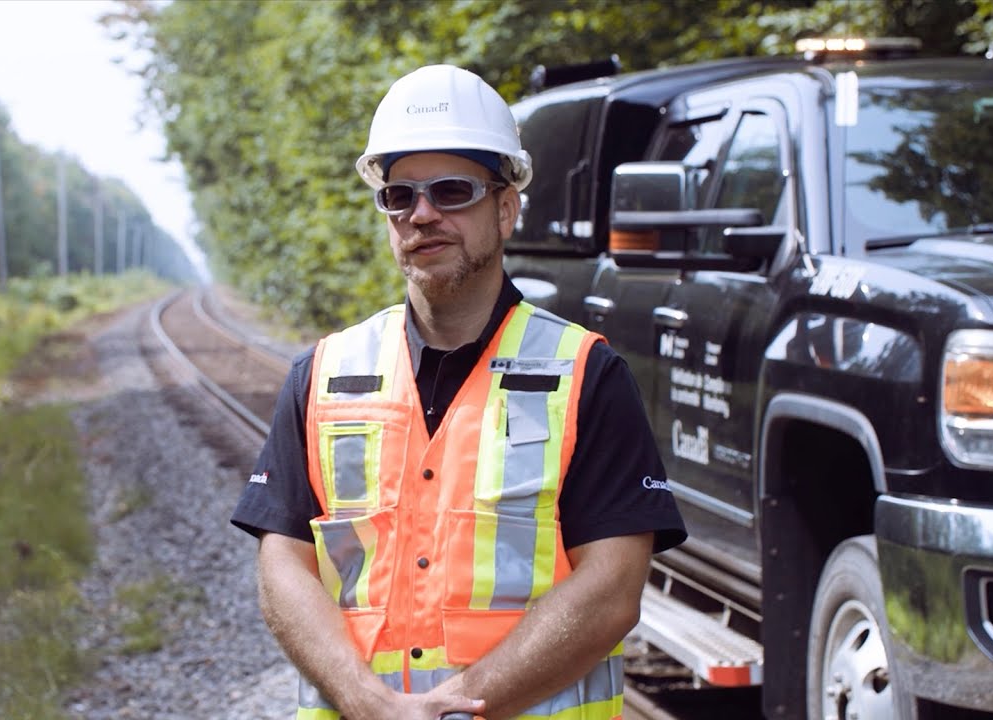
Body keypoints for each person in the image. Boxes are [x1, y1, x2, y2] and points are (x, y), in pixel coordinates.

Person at [231, 64, 686, 720]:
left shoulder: (586, 374)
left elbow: (612, 590)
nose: (423, 214)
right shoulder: (324, 375)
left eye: (452, 190)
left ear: (505, 208)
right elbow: (283, 569)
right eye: (399, 195)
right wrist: (371, 703)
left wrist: (455, 707)